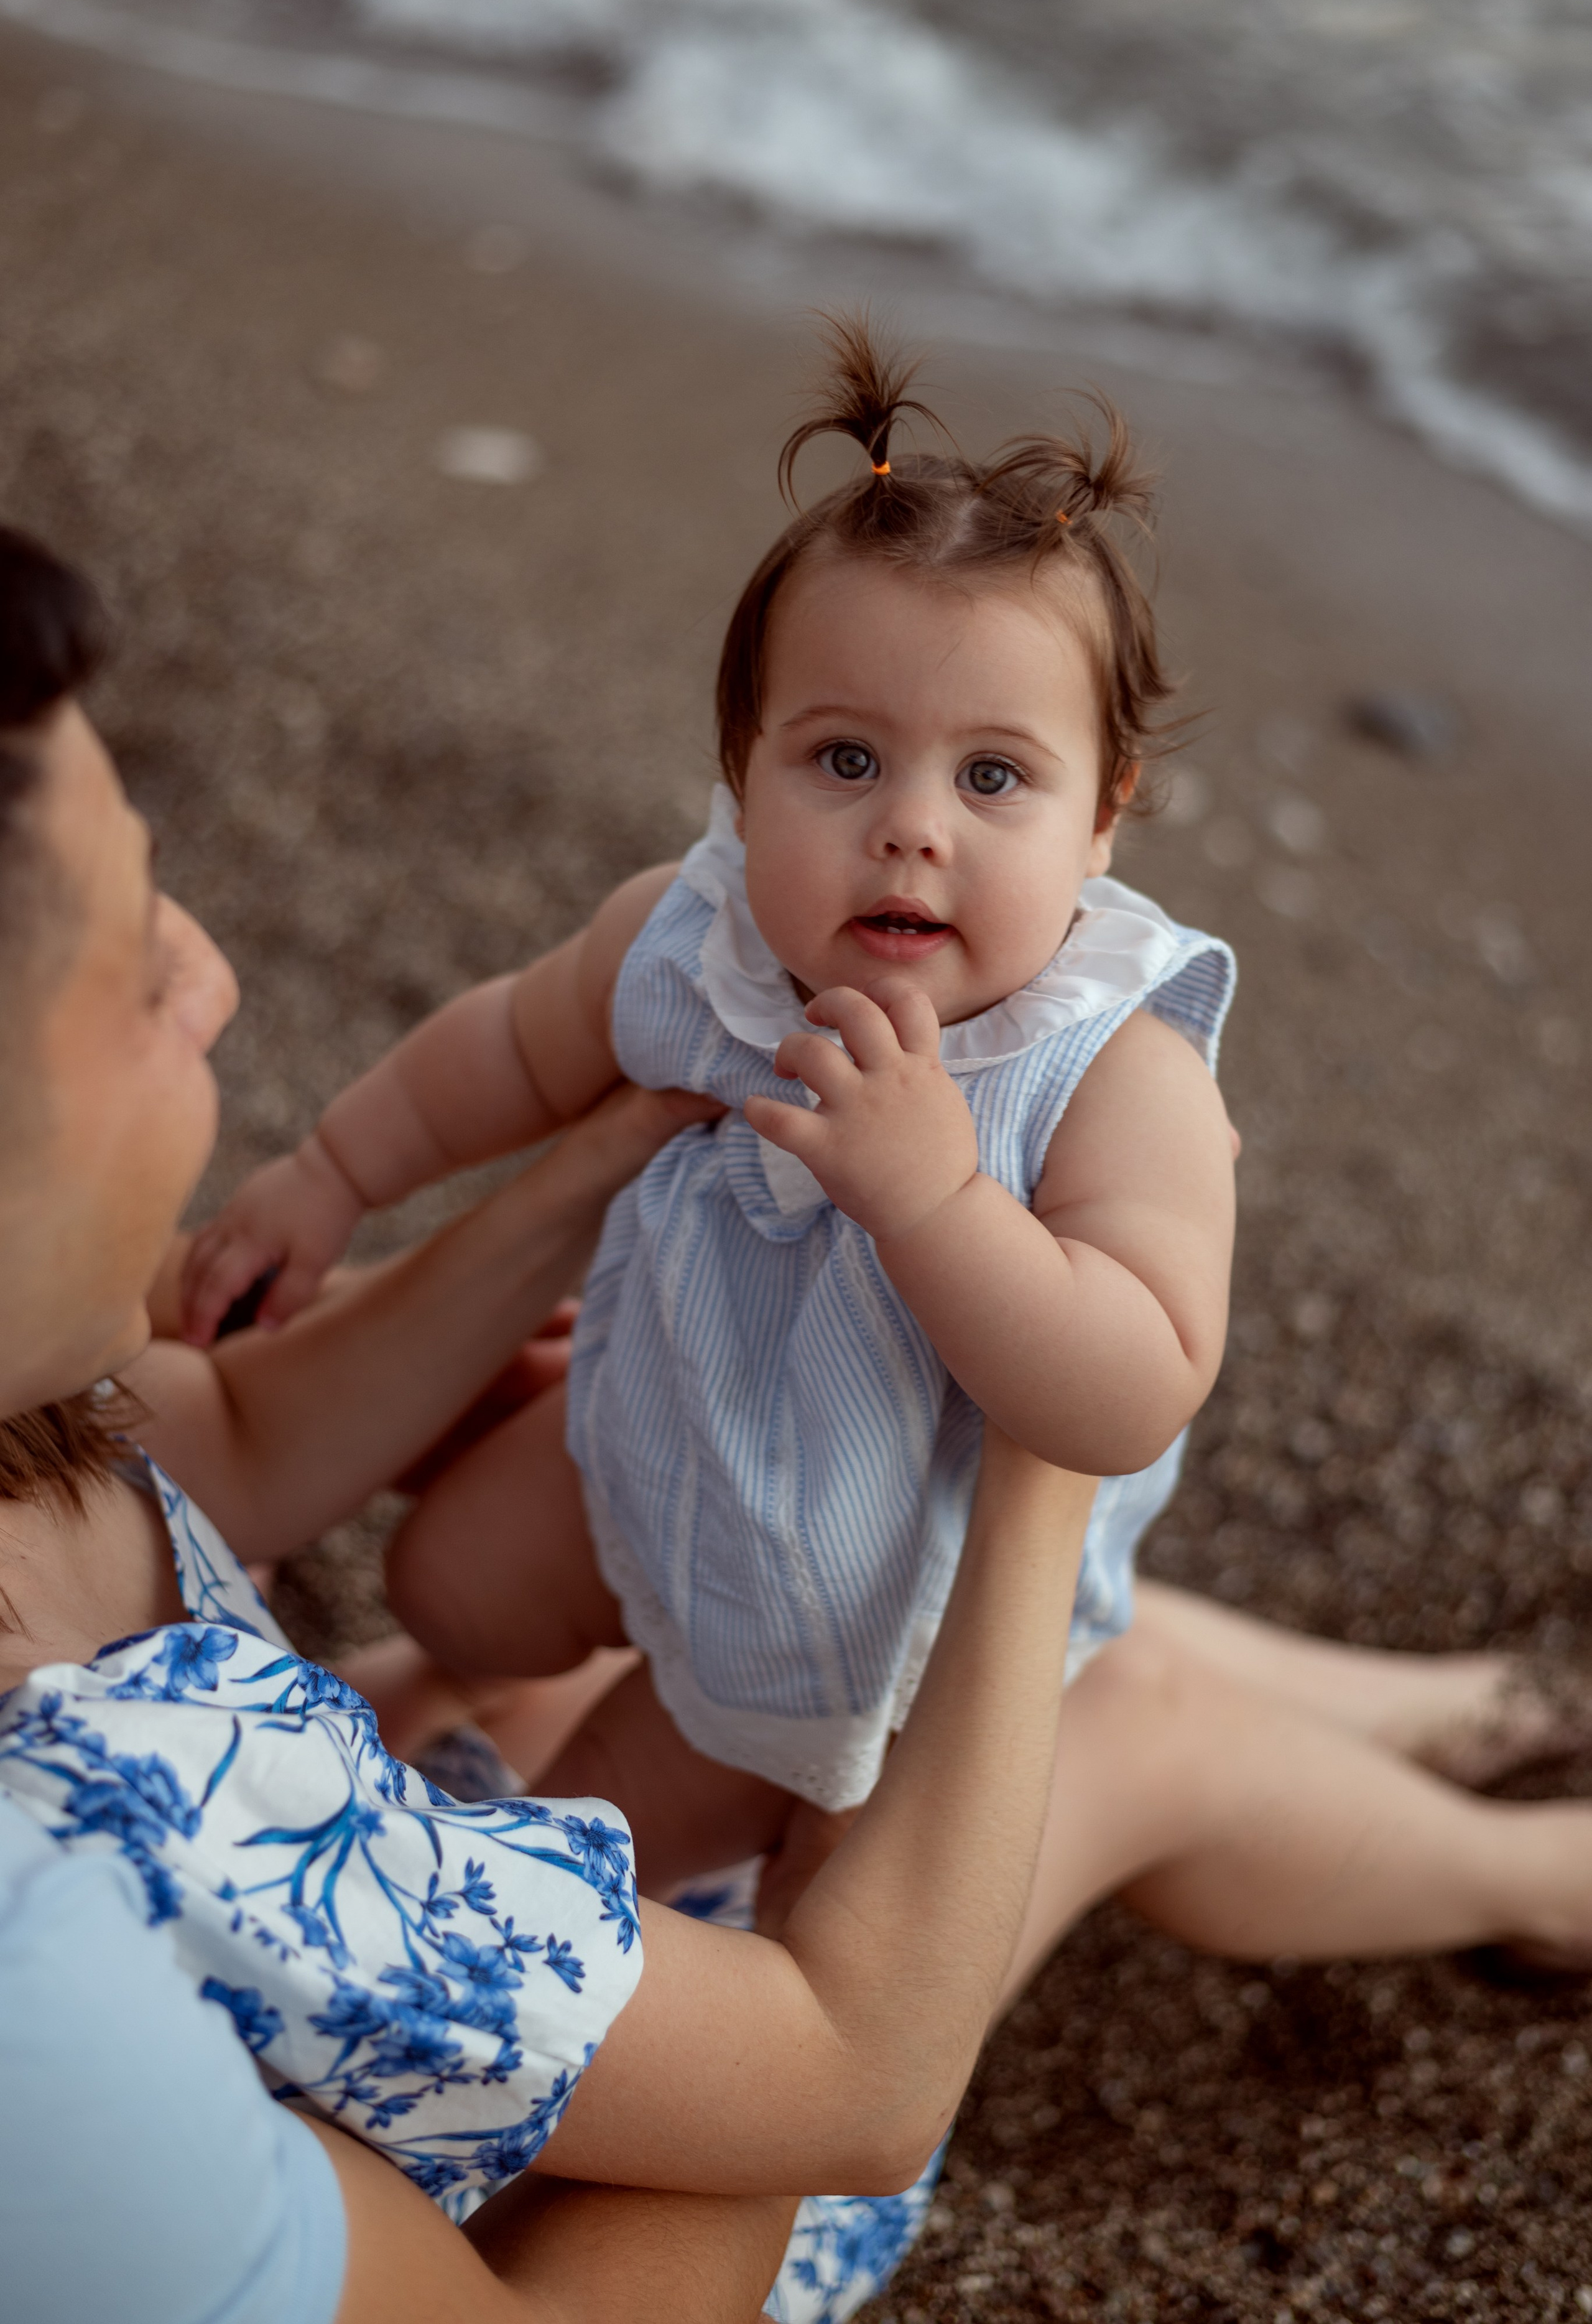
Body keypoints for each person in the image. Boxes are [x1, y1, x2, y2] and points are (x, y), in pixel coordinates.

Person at [0, 520, 1103, 2324]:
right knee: (1096, 1720)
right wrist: (1039, 1456)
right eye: (134, 959)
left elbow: (248, 1441)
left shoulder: (28, 1429)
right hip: (568, 2226)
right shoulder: (143, 1803)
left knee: (562, 1646)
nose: (213, 977)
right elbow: (854, 2086)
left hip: (310, 1989)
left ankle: (1485, 1742)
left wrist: (587, 1166)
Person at [180, 317, 1238, 1888]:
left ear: (1104, 817)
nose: (909, 832)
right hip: (666, 1421)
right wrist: (336, 1169)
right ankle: (508, 1659)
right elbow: (512, 1047)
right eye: (843, 758)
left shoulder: (1104, 1069)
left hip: (872, 1594)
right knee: (451, 1583)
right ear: (740, 773)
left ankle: (716, 1822)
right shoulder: (702, 941)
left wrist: (937, 1203)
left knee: (599, 1833)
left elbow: (1132, 1385)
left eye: (994, 778)